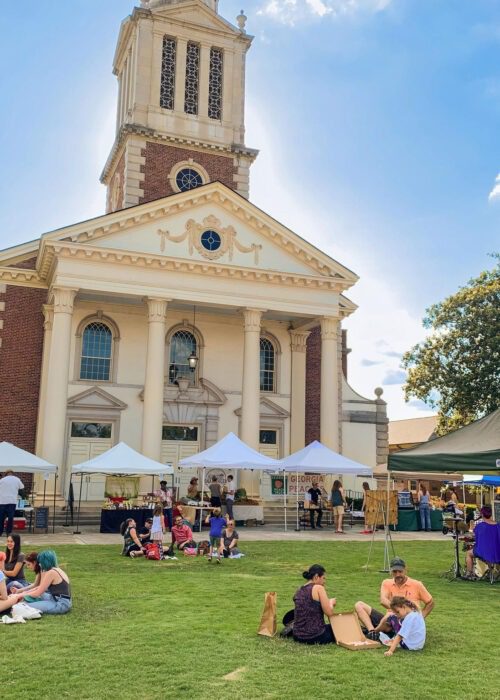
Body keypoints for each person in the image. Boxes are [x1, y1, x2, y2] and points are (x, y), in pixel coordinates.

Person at [355, 557, 433, 639]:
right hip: (389, 620)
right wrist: (397, 611)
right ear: (391, 571)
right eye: (394, 572)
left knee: (389, 615)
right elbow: (383, 600)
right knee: (359, 605)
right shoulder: (386, 583)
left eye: (400, 571)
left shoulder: (417, 584)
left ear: (405, 570)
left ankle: (375, 632)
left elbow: (430, 602)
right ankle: (372, 631)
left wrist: (420, 618)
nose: (397, 574)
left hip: (407, 622)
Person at [15, 550, 72, 615]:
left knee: (22, 606)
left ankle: (30, 602)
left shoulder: (51, 573)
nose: (39, 564)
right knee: (36, 595)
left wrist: (19, 595)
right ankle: (34, 601)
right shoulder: (56, 569)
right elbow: (39, 588)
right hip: (57, 599)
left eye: (40, 562)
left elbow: (37, 593)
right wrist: (23, 593)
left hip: (60, 604)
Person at [292, 564, 336, 645]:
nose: (324, 581)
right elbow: (329, 613)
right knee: (341, 627)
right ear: (316, 576)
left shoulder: (298, 590)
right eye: (323, 578)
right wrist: (331, 603)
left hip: (297, 635)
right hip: (315, 635)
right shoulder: (318, 588)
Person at [465, 506, 500, 578]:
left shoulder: (480, 526)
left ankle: (469, 574)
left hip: (483, 552)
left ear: (482, 515)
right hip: (497, 553)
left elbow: (471, 536)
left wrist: (471, 529)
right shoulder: (498, 526)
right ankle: (492, 572)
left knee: (468, 553)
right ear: (491, 514)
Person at [0, 470, 24, 538]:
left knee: (1, 518)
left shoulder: (2, 480)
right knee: (10, 518)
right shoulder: (17, 479)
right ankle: (9, 532)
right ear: (12, 474)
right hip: (12, 501)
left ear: (6, 474)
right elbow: (22, 487)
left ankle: (0, 532)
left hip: (2, 501)